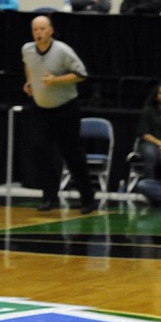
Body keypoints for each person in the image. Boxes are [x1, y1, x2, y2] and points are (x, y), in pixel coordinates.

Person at [21, 15, 97, 213]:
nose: (39, 33)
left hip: (65, 109)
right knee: (41, 152)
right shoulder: (27, 49)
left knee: (72, 154)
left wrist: (56, 80)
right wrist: (30, 82)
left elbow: (81, 74)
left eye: (42, 29)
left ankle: (88, 198)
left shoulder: (62, 50)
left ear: (51, 30)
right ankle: (49, 197)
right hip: (40, 109)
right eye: (35, 29)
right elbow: (28, 66)